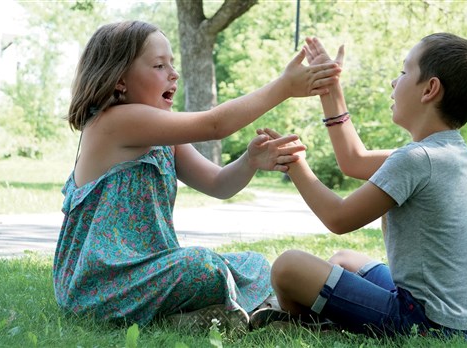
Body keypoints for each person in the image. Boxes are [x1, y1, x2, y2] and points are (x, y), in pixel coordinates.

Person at [52, 20, 340, 332]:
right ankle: (240, 312)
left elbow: (218, 184)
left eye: (172, 64)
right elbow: (215, 125)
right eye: (160, 65)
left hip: (152, 272)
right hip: (100, 286)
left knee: (254, 265)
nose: (173, 74)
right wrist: (283, 87)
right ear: (119, 80)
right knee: (203, 265)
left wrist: (250, 161)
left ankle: (228, 316)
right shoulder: (114, 122)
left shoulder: (162, 133)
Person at [252, 33, 467, 340]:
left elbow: (338, 219)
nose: (395, 82)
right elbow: (353, 161)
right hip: (459, 323)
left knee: (288, 267)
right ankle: (318, 312)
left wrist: (295, 163)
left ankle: (303, 323)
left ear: (430, 89)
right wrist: (330, 90)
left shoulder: (417, 159)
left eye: (404, 72)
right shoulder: (449, 152)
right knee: (343, 259)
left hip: (425, 325)